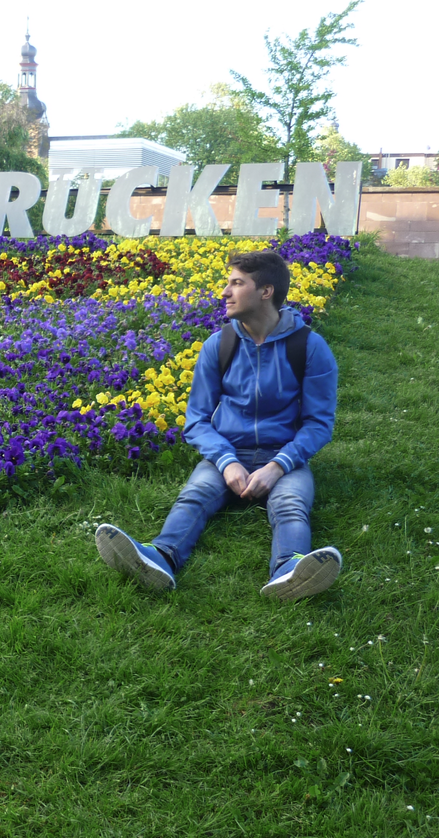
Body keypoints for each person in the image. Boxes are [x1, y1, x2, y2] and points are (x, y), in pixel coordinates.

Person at [95, 250, 341, 603]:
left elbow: (319, 424)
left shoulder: (309, 347)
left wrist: (278, 466)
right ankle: (159, 558)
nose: (225, 292)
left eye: (237, 283)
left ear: (266, 291)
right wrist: (226, 462)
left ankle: (289, 570)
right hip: (227, 450)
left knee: (290, 503)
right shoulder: (219, 345)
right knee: (194, 496)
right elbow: (196, 419)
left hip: (284, 455)